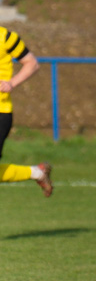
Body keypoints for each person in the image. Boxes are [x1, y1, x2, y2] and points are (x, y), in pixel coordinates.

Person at [0, 26, 53, 197]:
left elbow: (32, 63)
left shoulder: (5, 37)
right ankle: (37, 173)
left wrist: (11, 83)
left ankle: (37, 173)